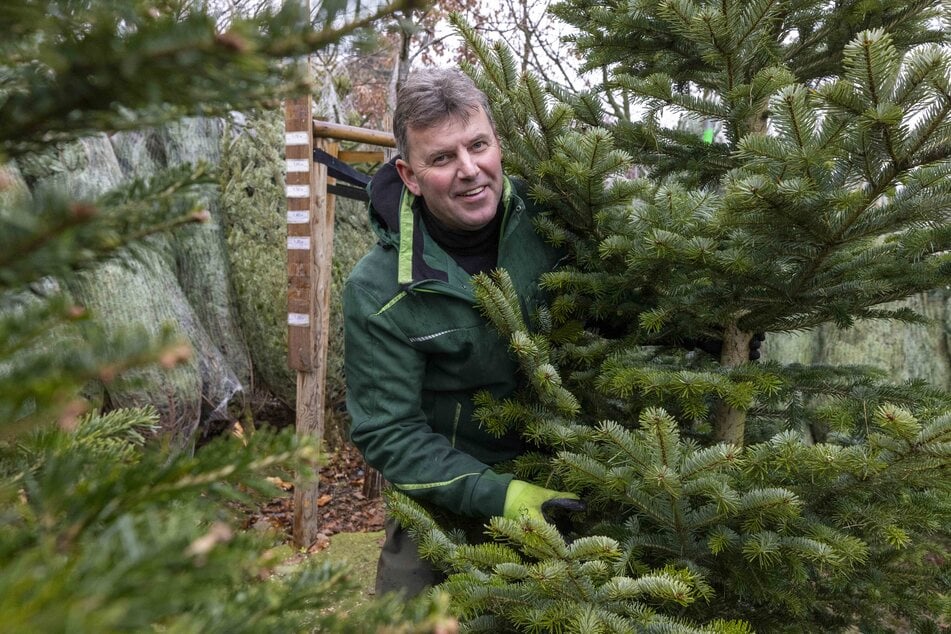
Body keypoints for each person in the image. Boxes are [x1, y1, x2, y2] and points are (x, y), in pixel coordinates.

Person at [342, 67, 578, 598]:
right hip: (444, 488)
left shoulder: (555, 226)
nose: (470, 170)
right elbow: (389, 433)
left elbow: (623, 304)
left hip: (574, 461)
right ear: (409, 175)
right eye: (442, 158)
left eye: (479, 145)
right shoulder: (379, 290)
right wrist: (501, 496)